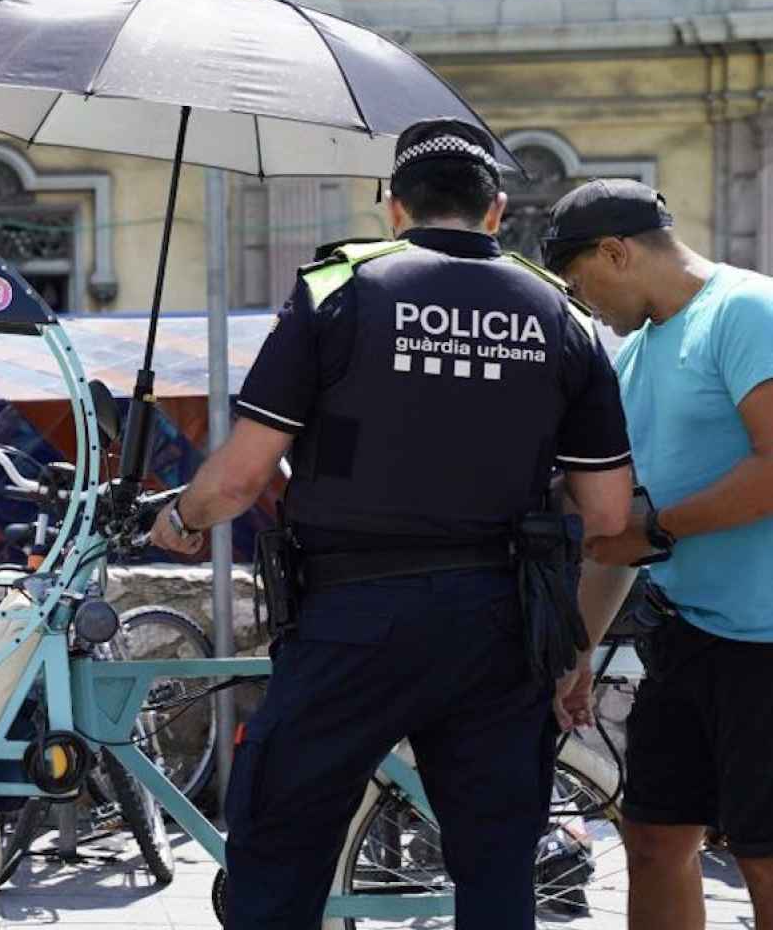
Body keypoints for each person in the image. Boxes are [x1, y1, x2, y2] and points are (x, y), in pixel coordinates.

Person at [148, 118, 633, 929]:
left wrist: (181, 515)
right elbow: (610, 514)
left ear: (393, 208)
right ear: (496, 211)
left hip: (352, 620)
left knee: (280, 849)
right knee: (496, 866)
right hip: (500, 625)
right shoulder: (563, 316)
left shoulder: (338, 291)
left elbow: (237, 481)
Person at [543, 179, 773, 929]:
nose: (587, 309)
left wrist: (659, 534)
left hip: (767, 646)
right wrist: (579, 648)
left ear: (616, 251)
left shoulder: (745, 310)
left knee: (764, 858)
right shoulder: (634, 358)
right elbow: (618, 535)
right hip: (687, 635)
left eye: (583, 287)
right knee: (651, 836)